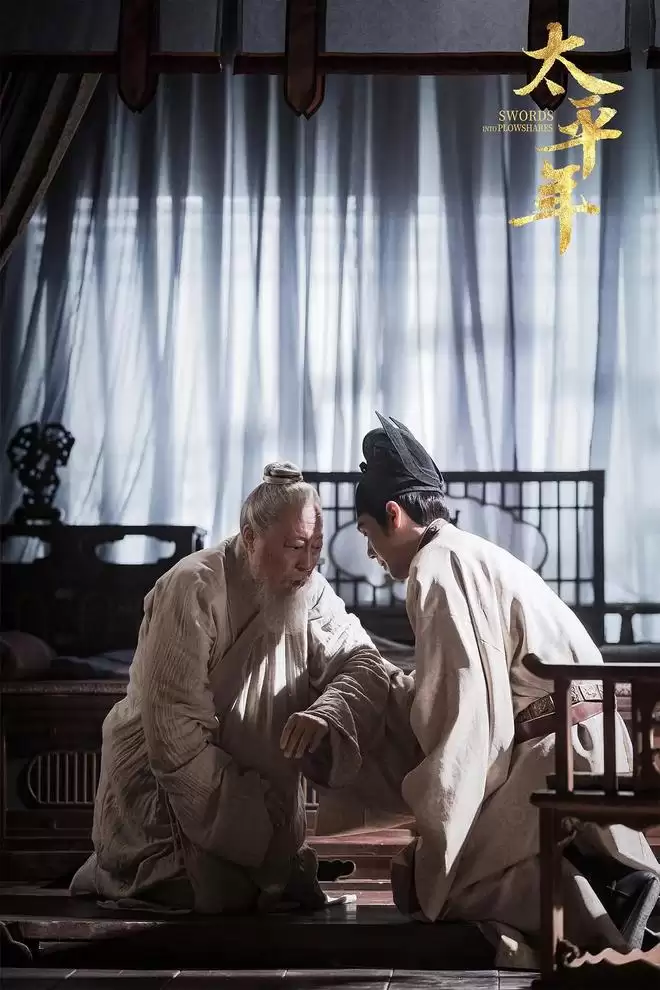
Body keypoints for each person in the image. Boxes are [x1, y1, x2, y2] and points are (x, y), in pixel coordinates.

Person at [351, 412, 660, 967]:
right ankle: (613, 886)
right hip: (593, 740)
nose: (371, 554)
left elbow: (467, 716)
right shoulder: (470, 551)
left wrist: (440, 829)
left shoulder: (437, 567)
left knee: (439, 886)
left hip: (560, 752)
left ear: (393, 515)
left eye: (368, 534)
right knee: (447, 870)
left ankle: (611, 912)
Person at [70, 461, 402, 914]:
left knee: (256, 889)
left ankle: (264, 863)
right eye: (294, 547)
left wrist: (329, 710)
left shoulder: (310, 588)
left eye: (316, 547)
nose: (307, 563)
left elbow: (363, 661)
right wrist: (246, 813)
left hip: (262, 797)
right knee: (216, 893)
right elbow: (173, 730)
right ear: (250, 537)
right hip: (167, 792)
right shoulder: (192, 587)